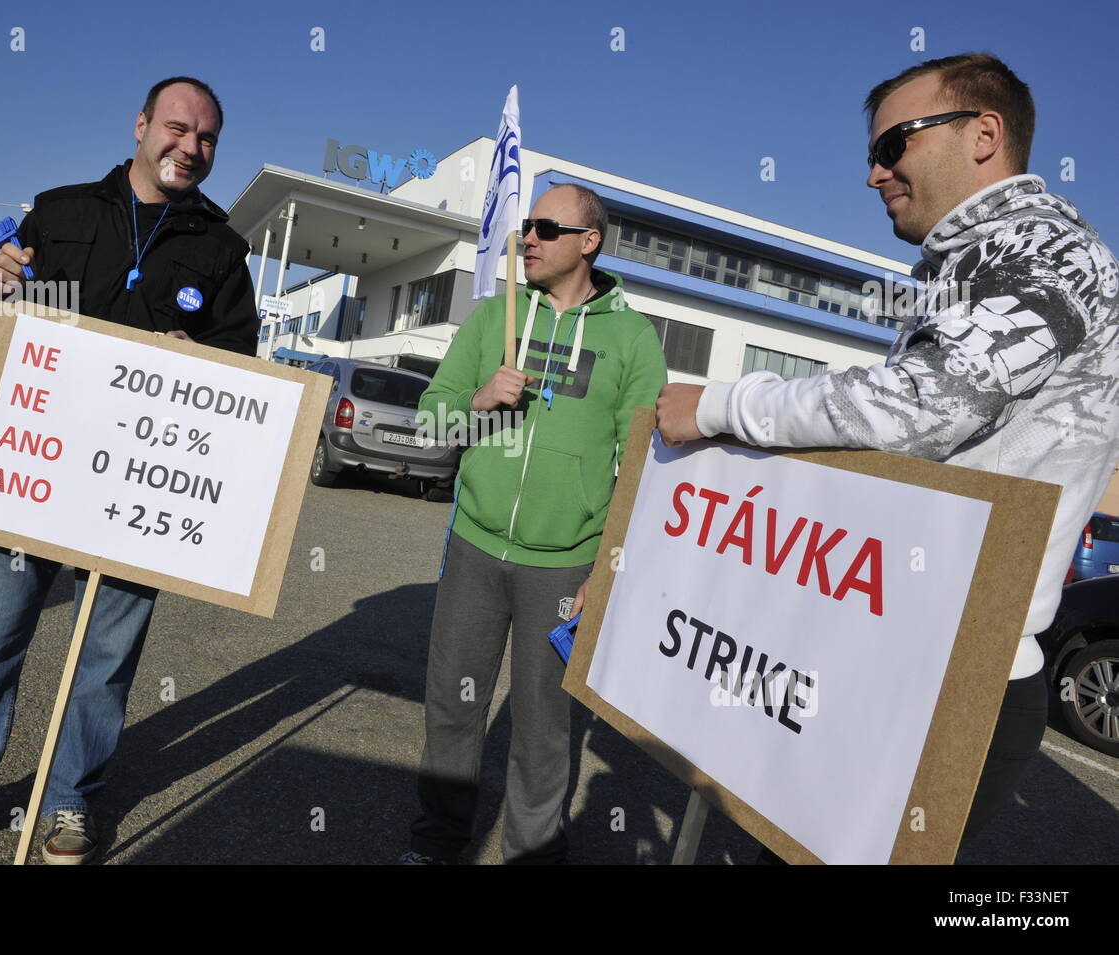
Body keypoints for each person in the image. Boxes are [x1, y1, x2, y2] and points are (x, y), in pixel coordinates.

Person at [655, 53, 1119, 858]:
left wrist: (723, 404)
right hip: (885, 650)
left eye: (894, 144)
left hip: (950, 678)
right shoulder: (961, 267)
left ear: (984, 134)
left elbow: (919, 405)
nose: (875, 173)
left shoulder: (1053, 254)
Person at [0, 77, 259, 865]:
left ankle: (68, 802)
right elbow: (8, 302)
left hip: (136, 492)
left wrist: (212, 364)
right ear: (141, 126)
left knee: (105, 655)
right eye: (178, 128)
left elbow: (243, 370)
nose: (191, 148)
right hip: (34, 472)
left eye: (208, 138)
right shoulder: (58, 211)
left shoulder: (223, 249)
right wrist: (1, 284)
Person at [403, 184, 668, 864]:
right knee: (454, 707)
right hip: (475, 548)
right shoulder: (493, 317)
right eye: (527, 226)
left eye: (549, 228)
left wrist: (608, 569)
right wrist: (478, 398)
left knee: (546, 728)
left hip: (566, 562)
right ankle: (436, 843)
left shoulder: (634, 338)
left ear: (590, 242)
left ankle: (533, 851)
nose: (531, 238)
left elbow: (644, 469)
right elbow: (432, 420)